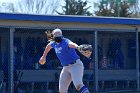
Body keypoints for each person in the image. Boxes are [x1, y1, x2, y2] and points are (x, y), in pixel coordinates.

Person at [39, 28, 90, 93]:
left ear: (61, 35)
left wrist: (77, 47)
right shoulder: (53, 43)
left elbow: (71, 44)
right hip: (66, 68)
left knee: (78, 84)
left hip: (75, 65)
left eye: (59, 35)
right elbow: (48, 46)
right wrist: (43, 56)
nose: (58, 37)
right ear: (53, 36)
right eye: (56, 36)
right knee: (62, 90)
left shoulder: (65, 41)